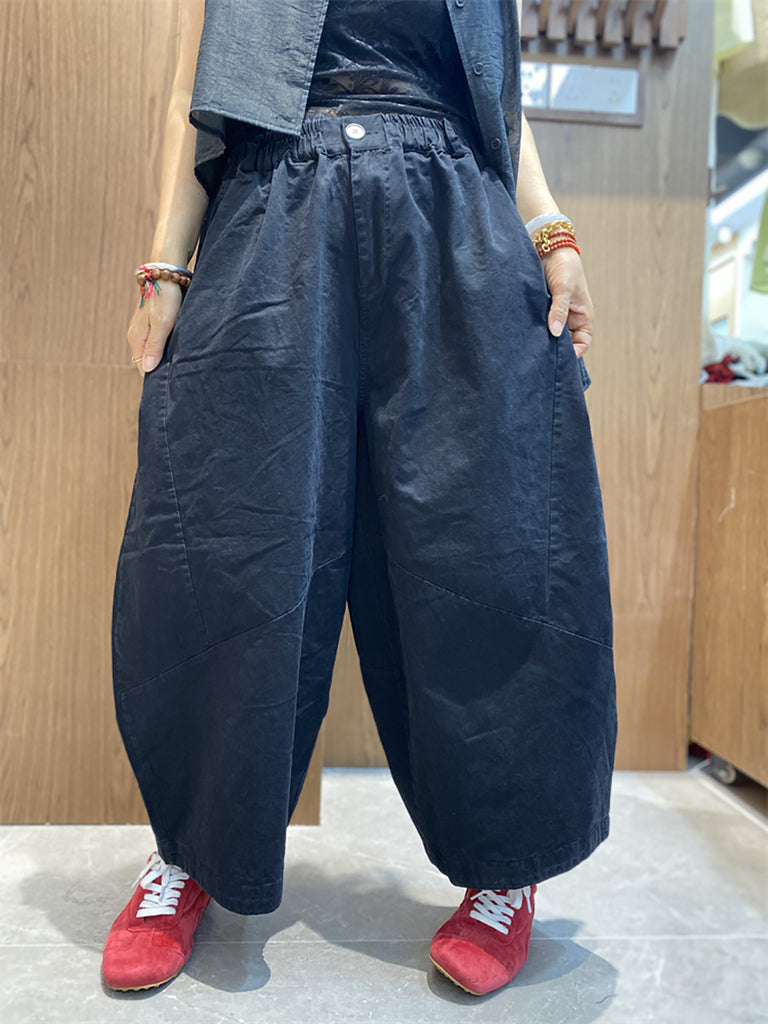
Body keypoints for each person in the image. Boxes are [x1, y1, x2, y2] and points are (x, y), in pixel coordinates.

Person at [102, 0, 617, 998]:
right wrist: (167, 267)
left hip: (454, 214)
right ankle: (190, 850)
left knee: (487, 539)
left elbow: (501, 97)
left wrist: (552, 231)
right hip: (271, 204)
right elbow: (190, 91)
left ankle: (503, 866)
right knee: (229, 545)